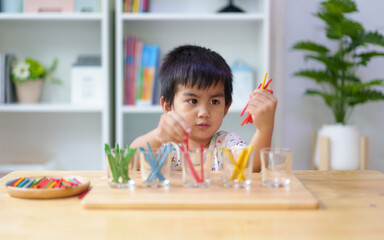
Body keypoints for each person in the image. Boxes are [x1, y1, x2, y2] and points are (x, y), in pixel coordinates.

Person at [130, 45, 277, 172]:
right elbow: (131, 160)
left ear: (226, 107)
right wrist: (157, 136)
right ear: (168, 106)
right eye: (193, 100)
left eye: (214, 102)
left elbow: (251, 167)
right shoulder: (167, 146)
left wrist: (264, 129)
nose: (204, 113)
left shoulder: (227, 143)